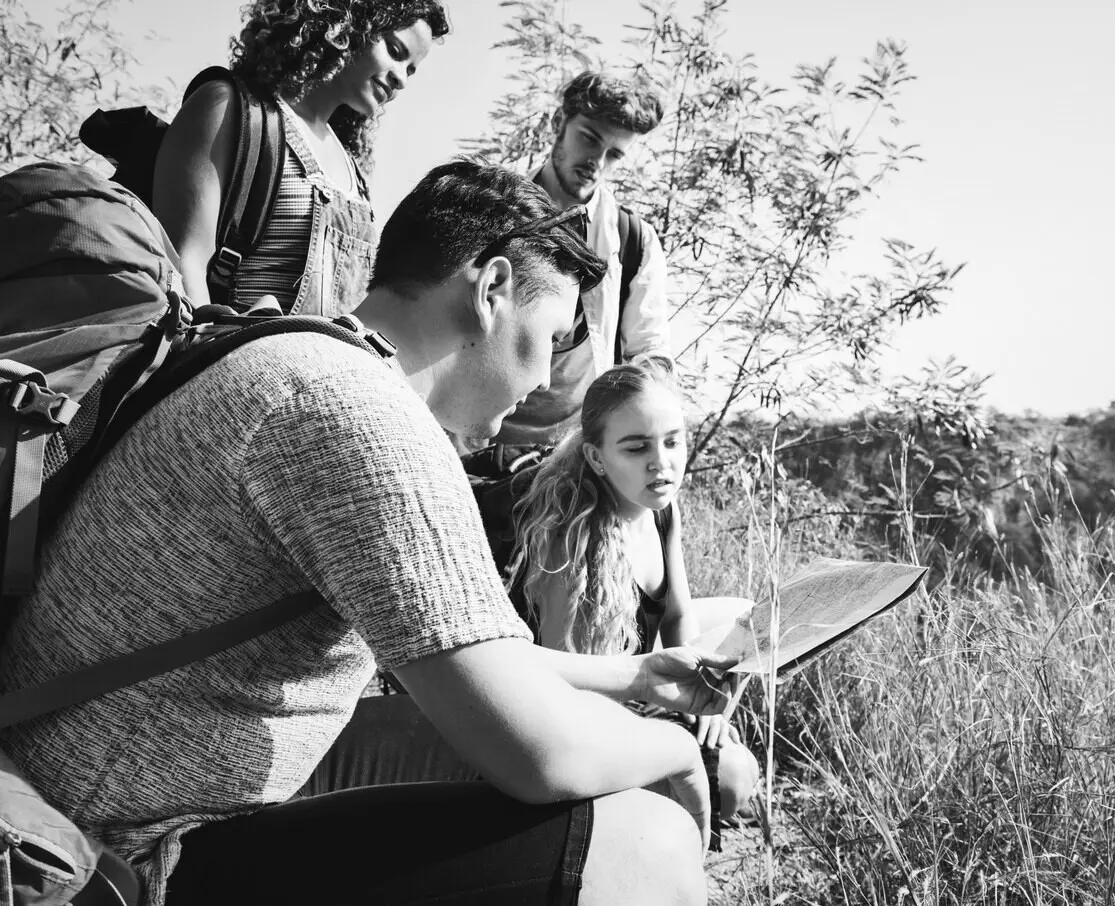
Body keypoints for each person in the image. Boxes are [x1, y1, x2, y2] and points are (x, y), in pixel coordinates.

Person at [0, 158, 733, 906]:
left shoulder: (292, 350)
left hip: (87, 777)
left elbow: (484, 659)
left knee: (482, 742)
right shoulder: (361, 416)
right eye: (551, 336)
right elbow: (537, 752)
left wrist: (634, 678)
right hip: (115, 853)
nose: (547, 380)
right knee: (644, 841)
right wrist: (676, 749)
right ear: (492, 291)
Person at [509, 354, 761, 821]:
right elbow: (568, 687)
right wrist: (662, 730)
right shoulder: (572, 534)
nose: (660, 463)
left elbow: (677, 615)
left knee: (749, 621)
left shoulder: (661, 510)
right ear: (596, 457)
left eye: (672, 442)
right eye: (636, 448)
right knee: (733, 780)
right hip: (584, 701)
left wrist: (700, 700)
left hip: (637, 674)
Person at [152, 0, 448, 316]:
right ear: (346, 26)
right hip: (233, 357)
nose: (401, 78)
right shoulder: (231, 109)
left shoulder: (352, 170)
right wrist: (211, 348)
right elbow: (182, 264)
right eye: (395, 51)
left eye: (411, 69)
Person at [491, 70, 672, 448]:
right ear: (559, 123)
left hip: (577, 455)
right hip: (482, 446)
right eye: (589, 139)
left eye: (615, 155)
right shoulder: (493, 212)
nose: (598, 162)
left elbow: (649, 350)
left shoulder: (633, 239)